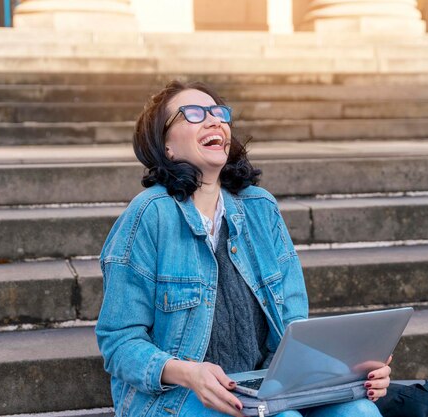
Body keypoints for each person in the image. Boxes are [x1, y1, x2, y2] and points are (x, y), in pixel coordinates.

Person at [95, 80, 392, 417]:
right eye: (192, 114)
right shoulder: (150, 215)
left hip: (265, 388)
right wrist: (190, 373)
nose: (213, 121)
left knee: (359, 412)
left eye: (218, 113)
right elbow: (119, 343)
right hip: (176, 396)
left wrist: (353, 371)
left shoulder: (260, 207)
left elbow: (294, 325)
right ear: (166, 147)